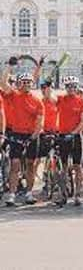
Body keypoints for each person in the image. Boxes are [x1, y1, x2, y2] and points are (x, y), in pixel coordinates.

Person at [0, 68, 43, 206]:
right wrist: (10, 66)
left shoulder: (37, 101)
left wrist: (33, 136)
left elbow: (39, 122)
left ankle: (29, 193)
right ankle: (12, 194)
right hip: (16, 134)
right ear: (19, 84)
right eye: (23, 82)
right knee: (15, 165)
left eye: (28, 82)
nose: (26, 85)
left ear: (32, 84)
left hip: (31, 135)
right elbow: (3, 82)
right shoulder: (14, 95)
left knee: (30, 165)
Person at [56, 76, 83, 206]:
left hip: (75, 137)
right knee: (63, 167)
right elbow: (49, 96)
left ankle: (77, 195)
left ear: (77, 87)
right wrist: (48, 83)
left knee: (77, 167)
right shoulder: (61, 99)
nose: (71, 89)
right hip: (63, 136)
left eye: (74, 86)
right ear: (66, 88)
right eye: (69, 86)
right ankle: (63, 194)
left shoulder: (81, 102)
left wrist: (74, 133)